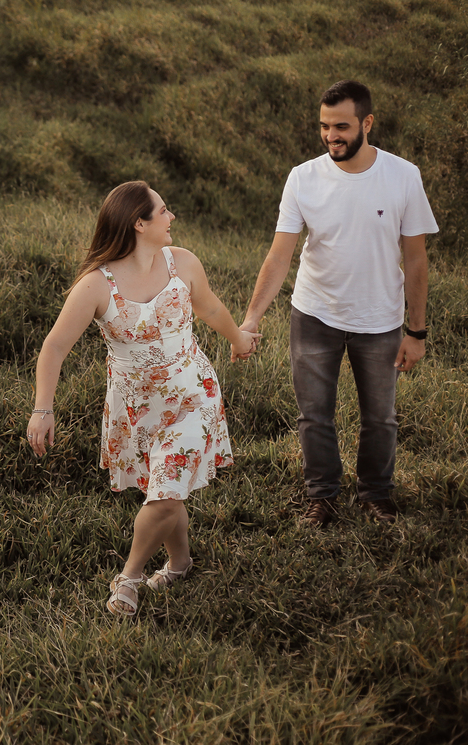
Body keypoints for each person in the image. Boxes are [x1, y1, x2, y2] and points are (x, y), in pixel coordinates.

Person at [28, 181, 259, 617]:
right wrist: (43, 409)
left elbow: (209, 308)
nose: (172, 218)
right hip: (135, 408)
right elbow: (54, 347)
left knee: (167, 491)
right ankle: (180, 563)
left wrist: (238, 338)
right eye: (164, 211)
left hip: (194, 394)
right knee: (164, 492)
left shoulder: (183, 263)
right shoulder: (97, 286)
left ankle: (129, 578)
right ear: (139, 223)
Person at [240, 79, 438, 528]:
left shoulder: (403, 176)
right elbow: (280, 254)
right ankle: (322, 497)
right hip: (314, 315)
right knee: (314, 416)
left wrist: (417, 331)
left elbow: (417, 259)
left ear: (367, 123)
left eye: (342, 126)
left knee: (381, 419)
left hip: (380, 319)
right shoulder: (303, 178)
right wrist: (252, 318)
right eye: (325, 126)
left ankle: (376, 496)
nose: (332, 135)